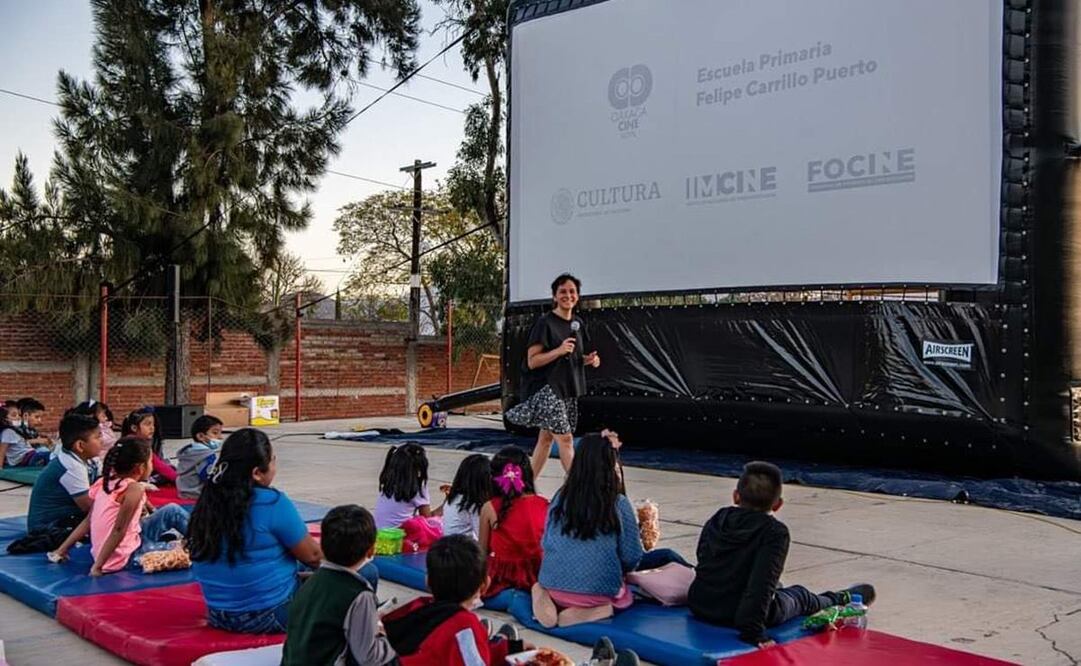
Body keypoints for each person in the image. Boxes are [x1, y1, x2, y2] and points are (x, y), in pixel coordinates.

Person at [187, 429, 359, 634]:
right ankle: (359, 633)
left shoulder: (208, 499)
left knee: (296, 560)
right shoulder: (271, 502)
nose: (275, 467)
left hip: (218, 614)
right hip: (267, 615)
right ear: (257, 473)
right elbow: (314, 557)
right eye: (273, 461)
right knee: (362, 572)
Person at [688, 461, 876, 647]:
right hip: (738, 615)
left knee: (775, 587)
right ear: (778, 504)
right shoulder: (774, 532)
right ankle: (840, 598)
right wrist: (754, 633)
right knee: (800, 596)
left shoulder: (719, 517)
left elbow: (704, 560)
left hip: (701, 605)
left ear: (736, 496)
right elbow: (761, 585)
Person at [505, 273, 601, 477]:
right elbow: (532, 361)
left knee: (546, 439)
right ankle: (580, 489)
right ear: (555, 297)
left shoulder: (577, 324)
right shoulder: (545, 323)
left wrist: (588, 360)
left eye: (572, 291)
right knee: (565, 439)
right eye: (563, 291)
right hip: (548, 390)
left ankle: (526, 486)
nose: (568, 295)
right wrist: (558, 350)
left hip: (567, 389)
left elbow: (571, 357)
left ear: (578, 296)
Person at [49, 437, 190, 575]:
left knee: (172, 510)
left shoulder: (105, 482)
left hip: (118, 546)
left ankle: (198, 540)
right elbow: (118, 530)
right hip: (127, 556)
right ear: (140, 467)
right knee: (185, 550)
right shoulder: (134, 489)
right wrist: (98, 566)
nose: (152, 467)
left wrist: (61, 550)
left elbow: (88, 521)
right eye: (150, 462)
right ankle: (203, 544)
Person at [282, 504, 396, 666]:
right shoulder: (359, 594)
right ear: (371, 551)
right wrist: (391, 640)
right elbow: (369, 657)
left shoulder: (308, 582)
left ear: (322, 545)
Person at [383, 535, 521, 666]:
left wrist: (510, 649)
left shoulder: (417, 607)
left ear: (428, 582)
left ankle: (485, 641)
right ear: (485, 585)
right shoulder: (464, 626)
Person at [478, 446, 548, 597]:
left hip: (502, 576)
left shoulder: (489, 507)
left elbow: (482, 552)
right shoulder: (543, 504)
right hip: (539, 574)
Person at [27, 413, 103, 532]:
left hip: (69, 517)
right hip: (48, 527)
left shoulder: (90, 459)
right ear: (80, 445)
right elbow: (89, 507)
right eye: (97, 437)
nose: (102, 441)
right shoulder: (71, 466)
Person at [374, 444, 434, 530]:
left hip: (380, 536)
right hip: (399, 538)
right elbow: (428, 520)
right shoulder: (417, 488)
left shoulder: (388, 484)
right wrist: (447, 502)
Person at [441, 454, 490, 539]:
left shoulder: (455, 497)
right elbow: (482, 537)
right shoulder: (472, 503)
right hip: (462, 549)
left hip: (449, 544)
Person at [121, 409, 175, 485]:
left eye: (153, 424)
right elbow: (159, 466)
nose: (152, 428)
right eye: (147, 424)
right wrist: (178, 478)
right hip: (134, 479)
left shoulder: (124, 440)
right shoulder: (139, 445)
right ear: (134, 428)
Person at [176, 414, 224, 499]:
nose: (220, 437)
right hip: (198, 493)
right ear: (201, 436)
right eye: (215, 433)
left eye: (220, 433)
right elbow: (208, 476)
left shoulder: (188, 452)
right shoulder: (206, 455)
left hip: (183, 491)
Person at [1, 398, 53, 467]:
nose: (18, 417)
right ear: (4, 419)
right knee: (48, 455)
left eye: (19, 415)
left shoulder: (16, 431)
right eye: (14, 415)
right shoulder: (8, 432)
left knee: (47, 454)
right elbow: (2, 451)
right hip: (26, 458)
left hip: (30, 455)